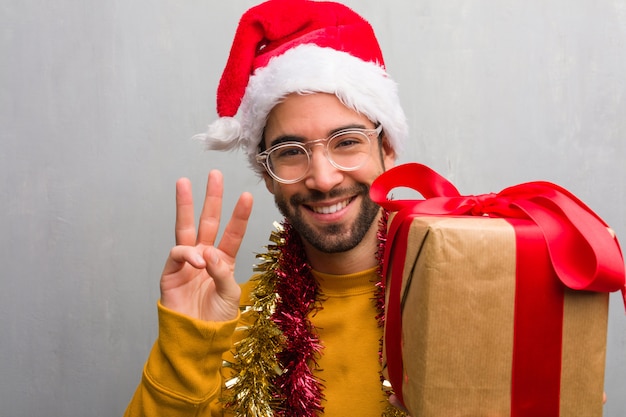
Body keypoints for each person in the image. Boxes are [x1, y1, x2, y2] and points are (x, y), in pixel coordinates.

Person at [125, 0, 409, 415]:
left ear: (387, 147)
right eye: (291, 151)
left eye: (347, 141)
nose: (324, 178)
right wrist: (188, 344)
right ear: (266, 172)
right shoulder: (227, 320)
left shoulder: (457, 283)